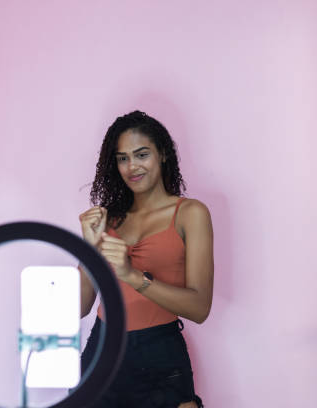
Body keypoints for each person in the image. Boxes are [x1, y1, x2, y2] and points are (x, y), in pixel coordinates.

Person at [77, 111, 214, 408]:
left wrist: (133, 276)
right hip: (102, 350)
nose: (131, 167)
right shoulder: (108, 218)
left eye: (141, 155)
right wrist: (89, 248)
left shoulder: (190, 214)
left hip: (160, 354)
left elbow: (200, 308)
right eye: (122, 158)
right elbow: (78, 308)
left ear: (163, 154)